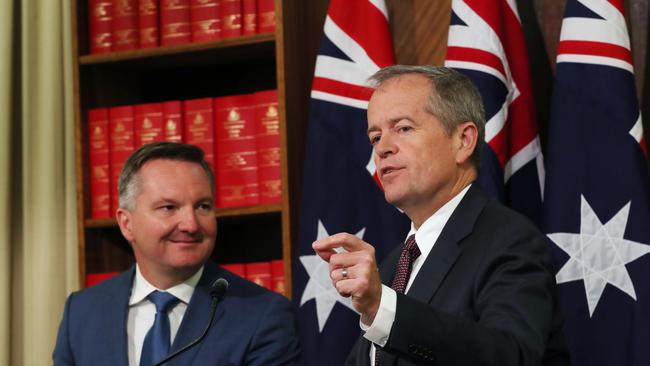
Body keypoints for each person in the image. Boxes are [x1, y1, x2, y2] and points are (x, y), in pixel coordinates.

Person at [313, 66, 570, 366]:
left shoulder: (510, 241)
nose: (382, 148)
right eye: (375, 137)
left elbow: (510, 356)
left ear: (463, 140)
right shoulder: (394, 264)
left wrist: (382, 306)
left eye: (404, 128)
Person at [53, 142, 300, 366]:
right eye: (168, 207)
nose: (191, 224)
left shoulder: (263, 314)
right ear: (127, 224)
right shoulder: (82, 311)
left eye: (202, 206)